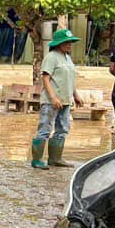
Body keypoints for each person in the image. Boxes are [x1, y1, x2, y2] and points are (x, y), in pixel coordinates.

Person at [32, 29, 85, 169]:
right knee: (45, 128)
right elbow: (45, 78)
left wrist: (76, 95)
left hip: (66, 100)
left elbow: (70, 79)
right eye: (66, 42)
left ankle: (55, 158)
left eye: (70, 42)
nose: (69, 45)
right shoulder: (51, 57)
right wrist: (53, 97)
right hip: (51, 102)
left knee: (63, 129)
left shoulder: (68, 58)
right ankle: (37, 160)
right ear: (58, 44)